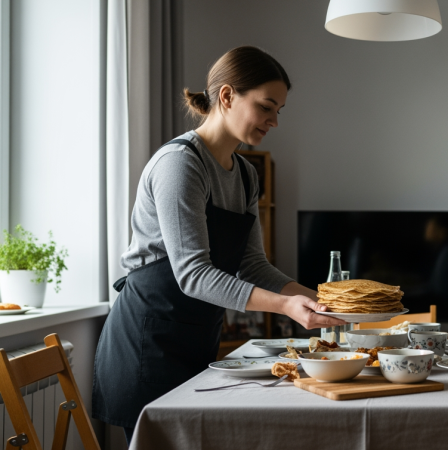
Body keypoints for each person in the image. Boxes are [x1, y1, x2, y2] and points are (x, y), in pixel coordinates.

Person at [92, 46, 345, 444]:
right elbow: (193, 275)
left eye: (279, 110)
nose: (274, 121)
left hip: (197, 338)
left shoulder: (246, 174)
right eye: (266, 107)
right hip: (147, 343)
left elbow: (254, 265)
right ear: (227, 97)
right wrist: (284, 306)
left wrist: (317, 300)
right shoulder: (180, 164)